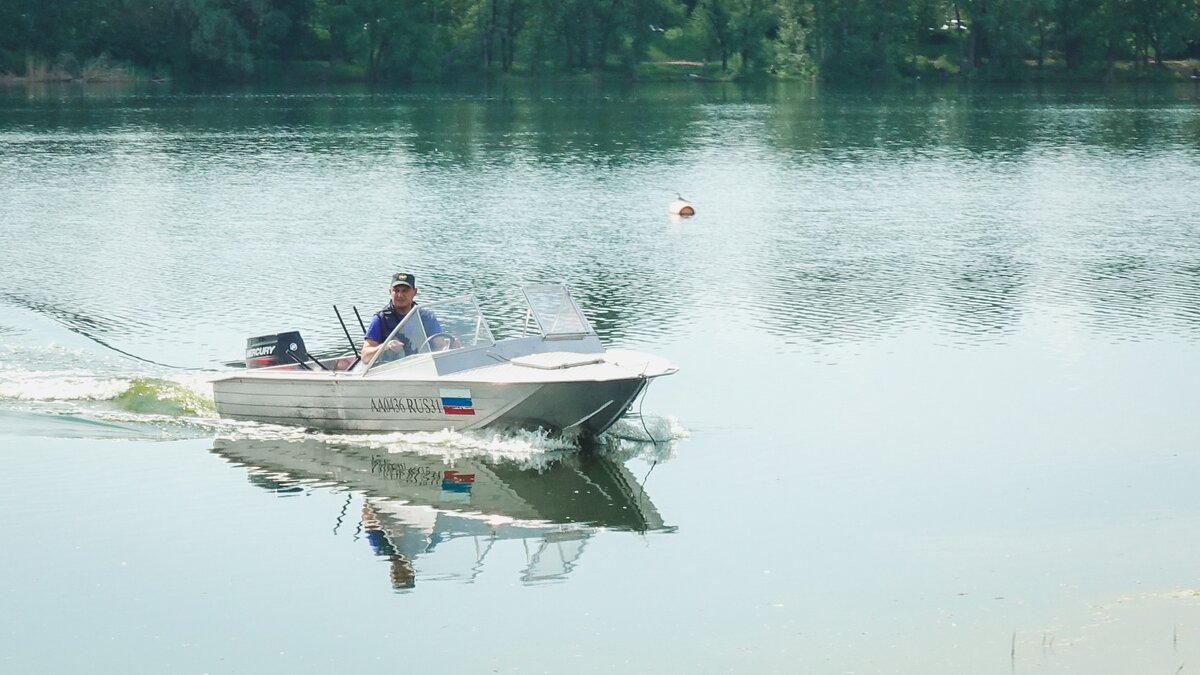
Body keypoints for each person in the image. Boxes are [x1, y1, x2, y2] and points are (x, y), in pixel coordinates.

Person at [361, 272, 446, 364]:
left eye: (405, 290)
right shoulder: (380, 319)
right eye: (396, 290)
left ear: (415, 292)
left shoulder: (427, 318)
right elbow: (365, 357)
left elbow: (441, 346)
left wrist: (451, 347)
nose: (400, 295)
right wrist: (385, 346)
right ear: (390, 292)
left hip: (424, 366)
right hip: (392, 371)